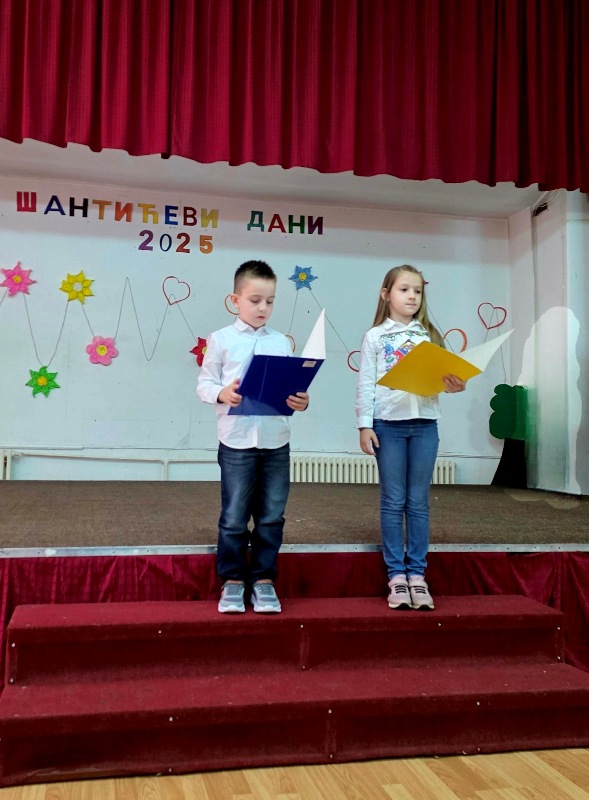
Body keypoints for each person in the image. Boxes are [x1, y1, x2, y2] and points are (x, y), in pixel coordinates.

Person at [197, 260, 309, 614]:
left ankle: (263, 579)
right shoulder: (221, 339)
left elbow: (291, 389)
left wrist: (301, 400)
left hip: (276, 441)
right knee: (234, 516)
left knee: (272, 515)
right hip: (236, 441)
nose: (263, 308)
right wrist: (222, 393)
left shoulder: (280, 341)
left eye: (270, 301)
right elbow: (204, 383)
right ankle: (232, 580)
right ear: (235, 300)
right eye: (255, 300)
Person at [355, 265, 465, 611]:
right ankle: (396, 576)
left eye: (417, 291)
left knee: (418, 501)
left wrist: (456, 384)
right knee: (393, 500)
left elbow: (447, 378)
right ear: (386, 294)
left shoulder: (428, 335)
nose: (412, 297)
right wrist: (364, 425)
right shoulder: (375, 337)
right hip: (387, 425)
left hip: (425, 425)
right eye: (404, 290)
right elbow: (366, 383)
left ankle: (417, 574)